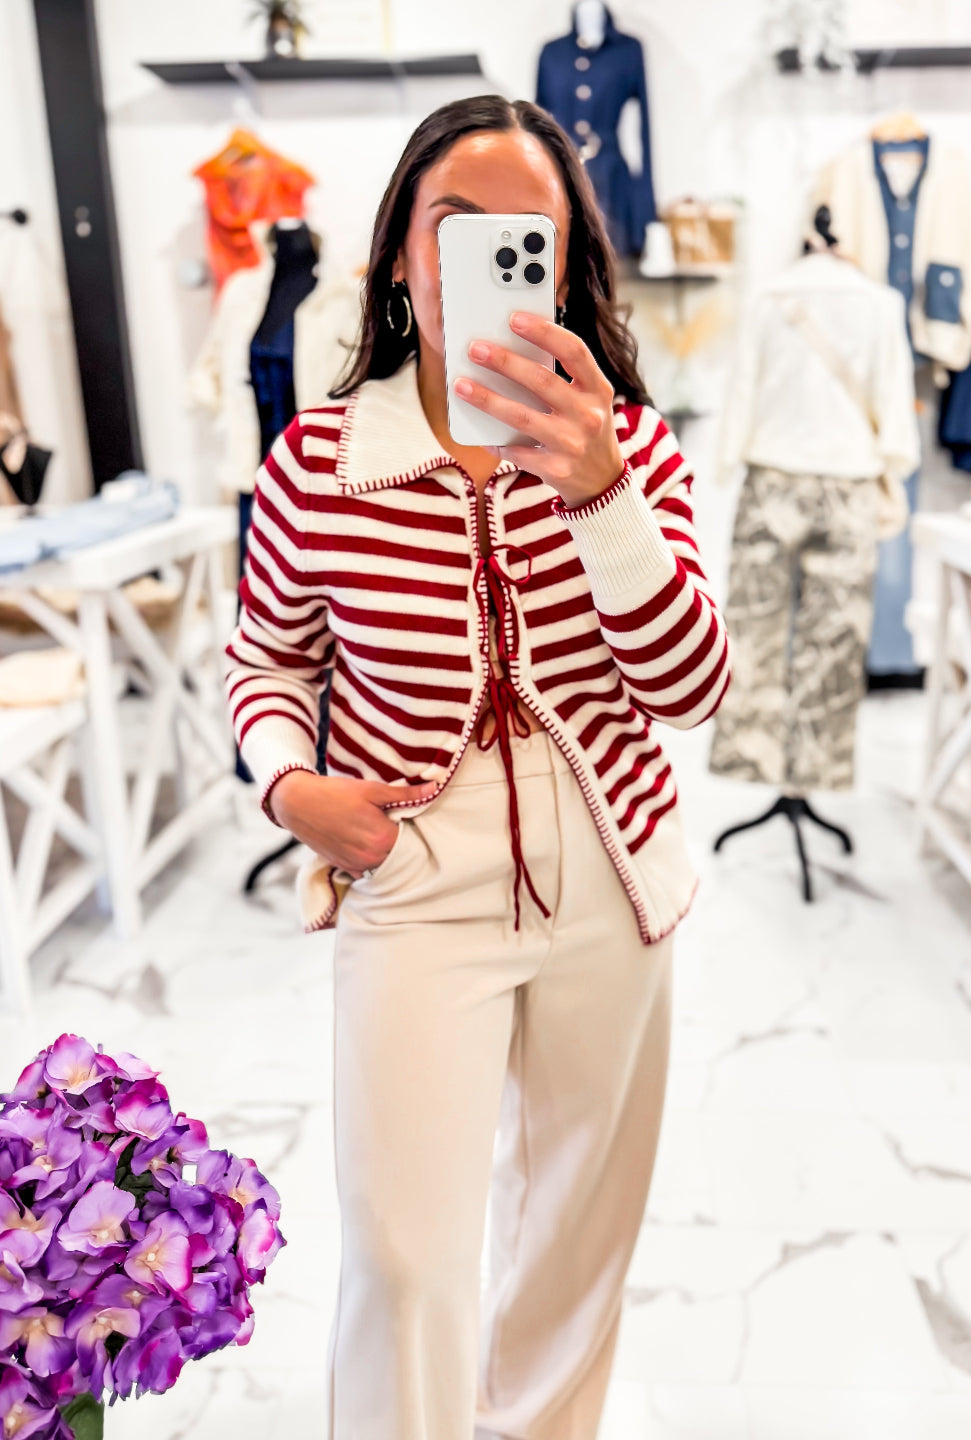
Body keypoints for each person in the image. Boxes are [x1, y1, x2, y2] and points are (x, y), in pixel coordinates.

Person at [223, 94, 729, 1440]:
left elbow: (690, 690)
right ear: (401, 252)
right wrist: (292, 789)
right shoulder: (319, 463)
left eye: (526, 236)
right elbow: (264, 660)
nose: (485, 261)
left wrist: (600, 495)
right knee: (404, 1258)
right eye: (455, 225)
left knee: (575, 1244)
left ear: (561, 269)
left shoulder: (633, 450)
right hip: (414, 869)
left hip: (612, 871)